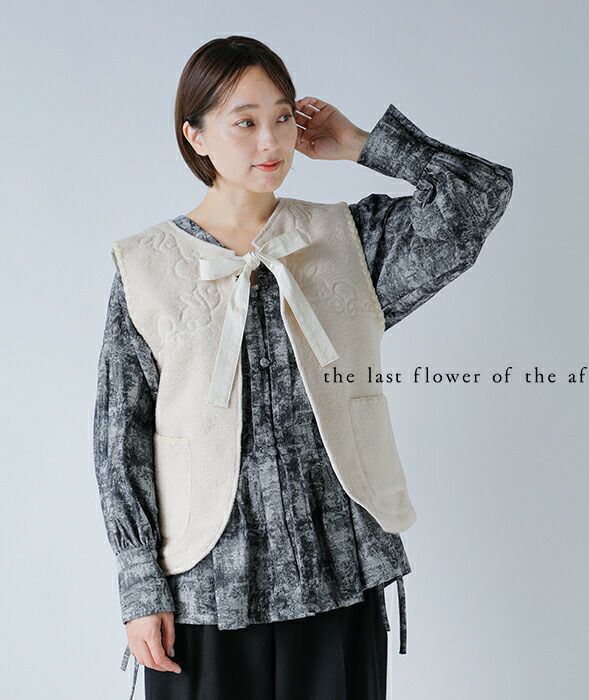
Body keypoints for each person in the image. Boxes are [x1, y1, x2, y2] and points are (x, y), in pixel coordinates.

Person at [93, 34, 514, 700]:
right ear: (195, 136)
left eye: (283, 117)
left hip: (336, 573)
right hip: (203, 589)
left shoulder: (349, 240)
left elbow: (477, 196)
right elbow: (121, 437)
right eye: (245, 122)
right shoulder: (147, 267)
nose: (272, 141)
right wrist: (140, 583)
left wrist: (363, 145)